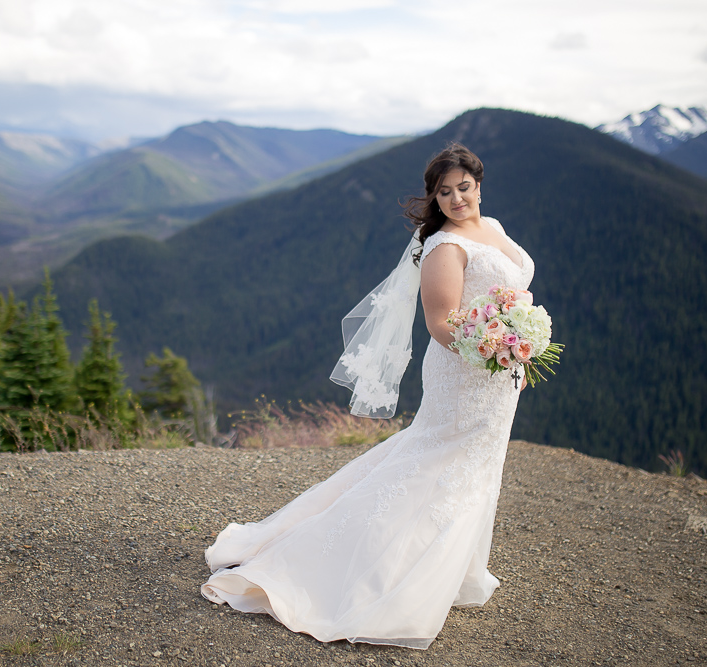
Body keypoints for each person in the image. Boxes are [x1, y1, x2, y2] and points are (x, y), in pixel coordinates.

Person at [201, 143, 534, 649]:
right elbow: (441, 324)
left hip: (496, 375)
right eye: (444, 192)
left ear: (479, 185)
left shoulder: (496, 230)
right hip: (466, 374)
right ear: (435, 199)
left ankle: (451, 570)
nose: (456, 198)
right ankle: (364, 569)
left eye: (463, 187)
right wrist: (495, 351)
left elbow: (509, 297)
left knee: (475, 467)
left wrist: (518, 349)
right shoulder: (445, 248)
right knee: (433, 465)